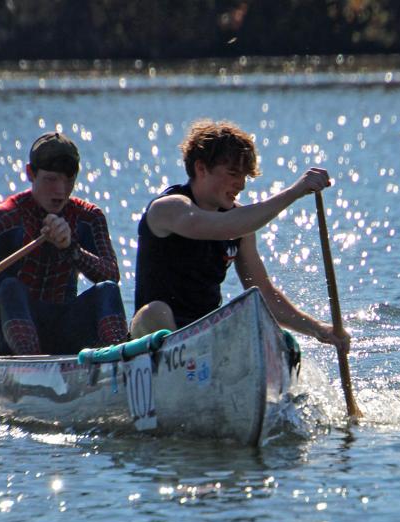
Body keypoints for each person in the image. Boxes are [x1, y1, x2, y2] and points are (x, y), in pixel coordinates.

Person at [131, 119, 349, 353]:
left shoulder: (240, 226)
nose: (241, 185)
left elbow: (265, 295)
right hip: (153, 337)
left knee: (259, 325)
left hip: (204, 338)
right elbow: (222, 226)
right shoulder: (168, 209)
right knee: (155, 311)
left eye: (245, 176)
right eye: (234, 173)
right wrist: (295, 191)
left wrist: (320, 330)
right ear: (201, 168)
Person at [0, 131, 128, 355]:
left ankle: (118, 359)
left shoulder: (89, 217)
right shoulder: (7, 215)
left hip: (61, 329)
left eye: (69, 180)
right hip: (7, 332)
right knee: (11, 287)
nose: (61, 191)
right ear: (30, 173)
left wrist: (71, 249)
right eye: (51, 179)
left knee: (107, 290)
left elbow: (111, 274)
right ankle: (30, 361)